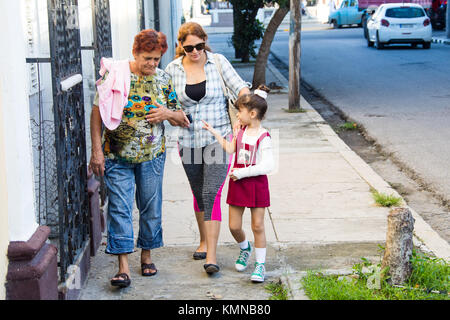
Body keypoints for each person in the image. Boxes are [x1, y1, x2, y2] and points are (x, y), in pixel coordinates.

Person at [89, 29, 189, 288]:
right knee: (119, 208)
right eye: (147, 58)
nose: (152, 64)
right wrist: (96, 151)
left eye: (156, 59)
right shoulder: (115, 74)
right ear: (135, 53)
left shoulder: (163, 80)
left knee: (149, 207)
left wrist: (166, 113)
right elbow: (97, 112)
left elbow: (183, 119)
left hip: (151, 156)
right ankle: (123, 266)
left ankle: (147, 255)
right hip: (115, 154)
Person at [165, 22, 250, 275]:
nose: (194, 51)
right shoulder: (172, 70)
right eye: (189, 47)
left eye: (199, 46)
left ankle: (211, 255)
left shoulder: (218, 62)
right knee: (199, 191)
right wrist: (173, 116)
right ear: (181, 46)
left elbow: (240, 88)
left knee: (211, 192)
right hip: (188, 141)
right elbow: (166, 104)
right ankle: (203, 240)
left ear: (205, 41)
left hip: (218, 137)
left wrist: (247, 108)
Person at [202, 85, 274, 283]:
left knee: (257, 226)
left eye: (240, 111)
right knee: (234, 226)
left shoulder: (263, 136)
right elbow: (230, 149)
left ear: (252, 113)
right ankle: (245, 248)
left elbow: (268, 164)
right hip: (238, 184)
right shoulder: (239, 131)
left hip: (256, 184)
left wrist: (242, 172)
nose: (237, 114)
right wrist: (214, 132)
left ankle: (260, 265)